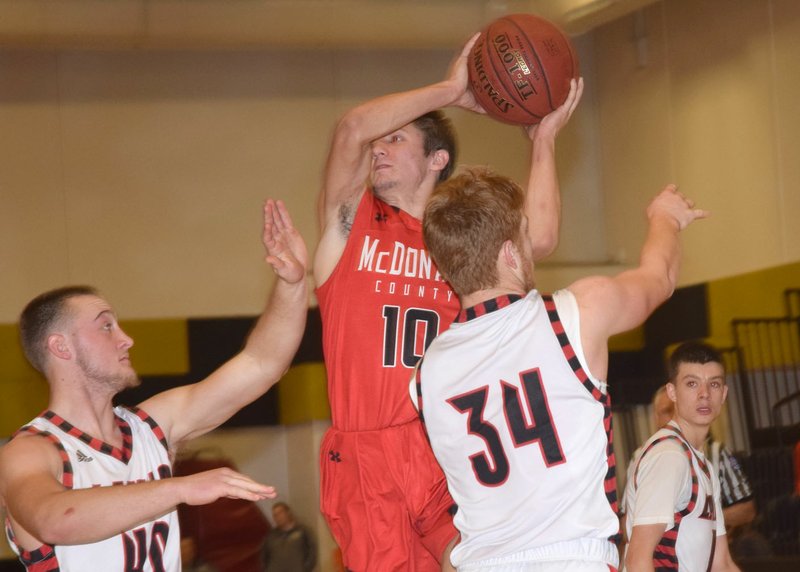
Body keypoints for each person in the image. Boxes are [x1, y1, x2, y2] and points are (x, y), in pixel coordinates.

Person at [313, 31, 583, 571]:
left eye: (396, 141)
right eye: (379, 143)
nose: (378, 150)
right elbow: (350, 129)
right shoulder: (351, 222)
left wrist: (544, 140)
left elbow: (541, 238)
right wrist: (448, 91)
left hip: (445, 443)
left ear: (437, 159)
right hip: (366, 452)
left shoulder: (455, 240)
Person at [412, 168, 707, 571]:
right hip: (571, 559)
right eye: (525, 234)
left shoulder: (425, 375)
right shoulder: (572, 316)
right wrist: (666, 217)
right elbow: (660, 277)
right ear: (510, 253)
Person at [0, 200, 308, 572]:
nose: (126, 339)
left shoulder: (150, 430)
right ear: (60, 347)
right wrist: (179, 489)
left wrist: (292, 285)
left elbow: (262, 364)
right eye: (106, 326)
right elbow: (56, 519)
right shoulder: (32, 450)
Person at [623, 342, 741, 571]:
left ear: (724, 393)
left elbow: (722, 564)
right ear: (672, 392)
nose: (704, 394)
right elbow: (638, 560)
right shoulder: (669, 457)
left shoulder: (702, 465)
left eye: (714, 384)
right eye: (692, 384)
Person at [262, 501, 317, 572]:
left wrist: (305, 569)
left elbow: (312, 554)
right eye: (275, 515)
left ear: (288, 512)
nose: (278, 517)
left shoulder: (303, 532)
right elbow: (264, 556)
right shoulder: (271, 536)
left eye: (280, 513)